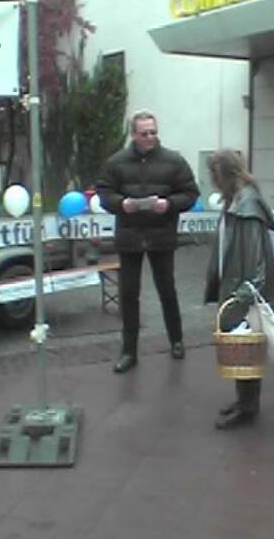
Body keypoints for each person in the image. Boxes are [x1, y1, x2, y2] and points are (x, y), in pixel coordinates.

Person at [97, 110, 199, 373]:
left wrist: (169, 204)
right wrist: (121, 204)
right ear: (134, 135)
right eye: (145, 133)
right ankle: (129, 351)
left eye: (153, 132)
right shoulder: (116, 162)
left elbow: (190, 193)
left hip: (161, 234)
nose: (150, 137)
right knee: (129, 294)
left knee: (167, 290)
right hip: (130, 236)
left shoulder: (174, 161)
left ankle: (177, 341)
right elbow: (104, 192)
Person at [204, 150, 274, 430]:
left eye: (214, 175)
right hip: (238, 283)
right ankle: (244, 400)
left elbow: (255, 255)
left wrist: (247, 290)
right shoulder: (237, 200)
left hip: (244, 288)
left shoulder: (246, 204)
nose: (213, 182)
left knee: (246, 342)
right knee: (241, 342)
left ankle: (248, 406)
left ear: (224, 174)